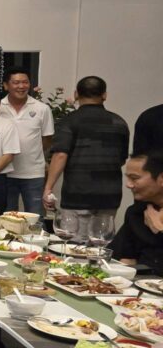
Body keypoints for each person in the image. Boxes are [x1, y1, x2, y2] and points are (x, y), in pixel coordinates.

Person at [44, 76, 129, 236]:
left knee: (74, 245)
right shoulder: (119, 122)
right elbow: (122, 159)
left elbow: (60, 155)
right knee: (100, 243)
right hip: (110, 194)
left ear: (76, 94)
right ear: (104, 95)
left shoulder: (69, 121)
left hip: (77, 193)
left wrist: (48, 188)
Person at [0, 67, 54, 216]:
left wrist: (33, 154)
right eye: (16, 82)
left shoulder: (42, 109)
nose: (21, 86)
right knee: (7, 218)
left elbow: (47, 139)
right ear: (6, 85)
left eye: (25, 82)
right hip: (5, 172)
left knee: (36, 218)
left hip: (33, 174)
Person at [108, 151, 163, 273]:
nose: (128, 185)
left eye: (134, 178)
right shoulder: (136, 213)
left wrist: (160, 229)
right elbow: (115, 255)